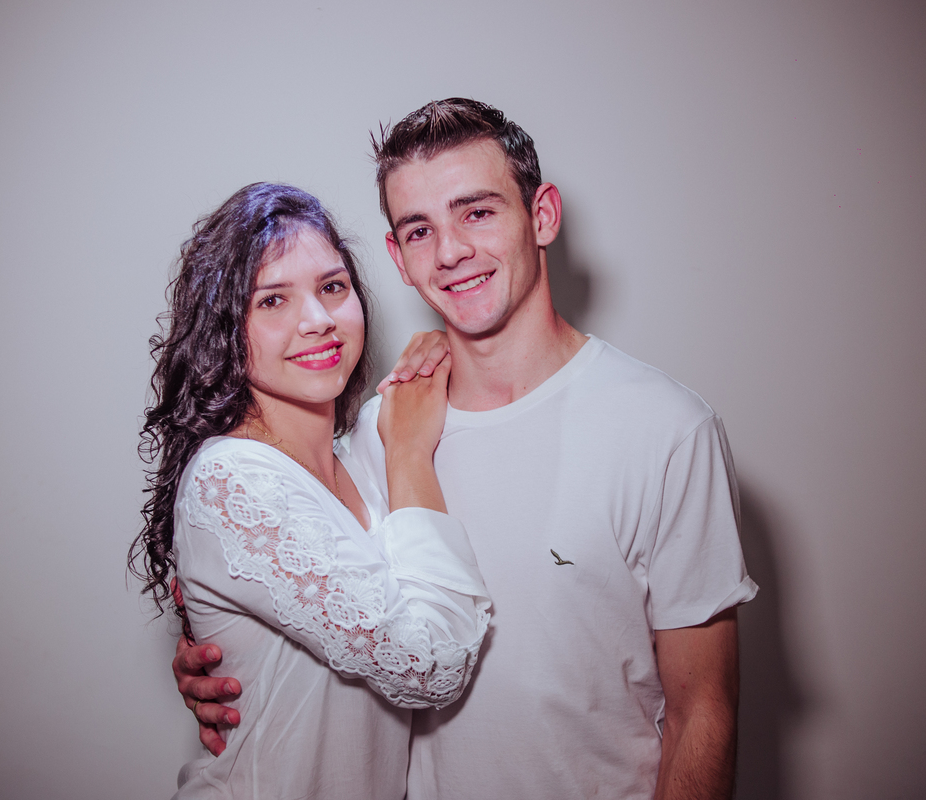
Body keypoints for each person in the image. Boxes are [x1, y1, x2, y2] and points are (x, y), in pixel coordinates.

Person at [176, 100, 758, 799]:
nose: (450, 252)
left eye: (477, 212)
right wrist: (225, 651)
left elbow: (704, 712)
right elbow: (308, 609)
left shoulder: (667, 431)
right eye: (420, 230)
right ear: (397, 257)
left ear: (542, 216)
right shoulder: (376, 439)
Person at [131, 182, 492, 799]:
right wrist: (409, 452)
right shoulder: (234, 479)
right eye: (272, 300)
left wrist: (448, 344)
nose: (319, 320)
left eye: (332, 287)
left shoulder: (356, 461)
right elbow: (430, 667)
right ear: (225, 328)